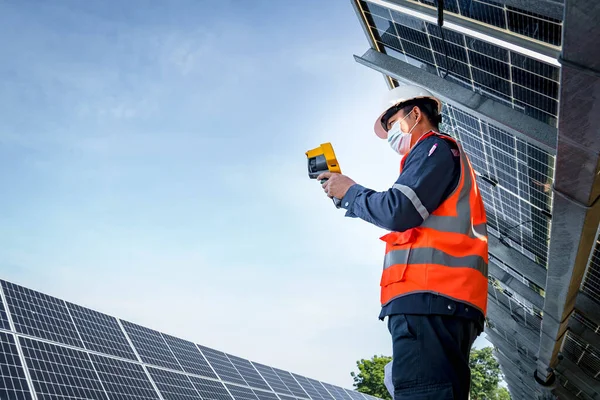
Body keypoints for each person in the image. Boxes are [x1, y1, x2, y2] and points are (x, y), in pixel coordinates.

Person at [317, 84, 488, 400]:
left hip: (431, 299)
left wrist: (351, 191)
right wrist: (348, 197)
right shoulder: (439, 156)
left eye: (391, 123)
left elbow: (399, 210)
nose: (390, 134)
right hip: (442, 302)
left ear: (415, 113)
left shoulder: (434, 148)